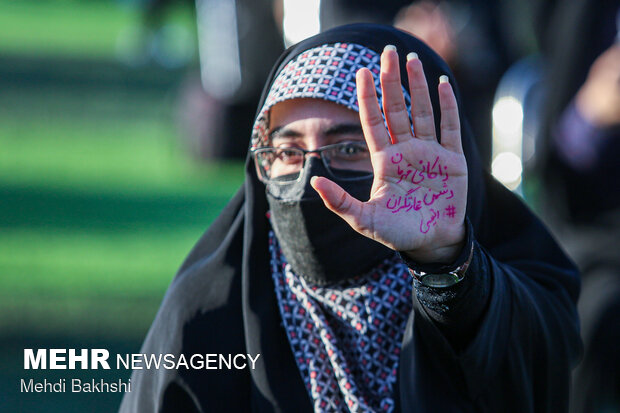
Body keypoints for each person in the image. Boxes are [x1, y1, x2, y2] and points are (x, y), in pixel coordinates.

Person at [119, 24, 581, 412]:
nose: (312, 180)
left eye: (350, 147)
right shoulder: (205, 318)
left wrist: (446, 264)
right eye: (286, 151)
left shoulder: (522, 279)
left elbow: (530, 366)